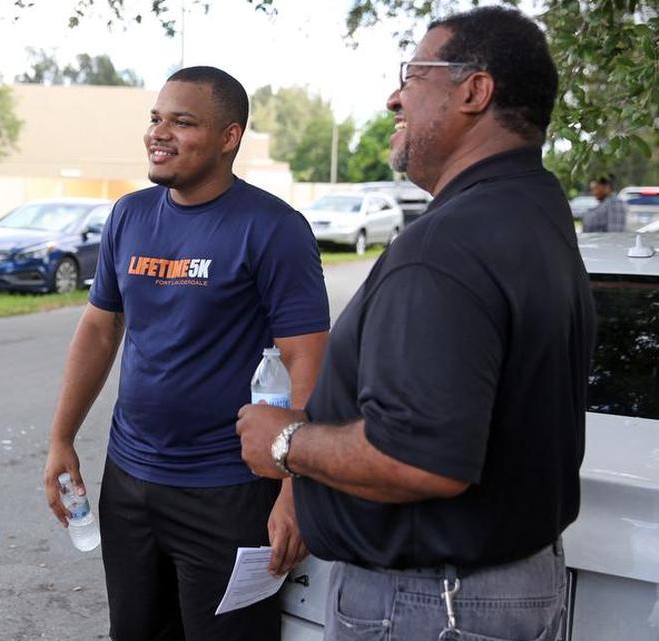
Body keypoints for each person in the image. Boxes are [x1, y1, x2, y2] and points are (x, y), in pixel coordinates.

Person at [236, 7, 595, 640]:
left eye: (413, 75)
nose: (394, 97)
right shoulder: (533, 209)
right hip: (498, 586)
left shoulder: (447, 246)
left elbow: (419, 459)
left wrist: (286, 443)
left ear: (474, 92)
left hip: (432, 606)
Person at [43, 65, 330, 641]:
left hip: (228, 490)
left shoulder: (274, 229)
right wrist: (61, 439)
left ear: (229, 137)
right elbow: (101, 330)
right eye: (155, 118)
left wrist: (297, 492)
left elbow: (308, 362)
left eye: (182, 121)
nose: (159, 132)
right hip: (129, 481)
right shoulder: (130, 215)